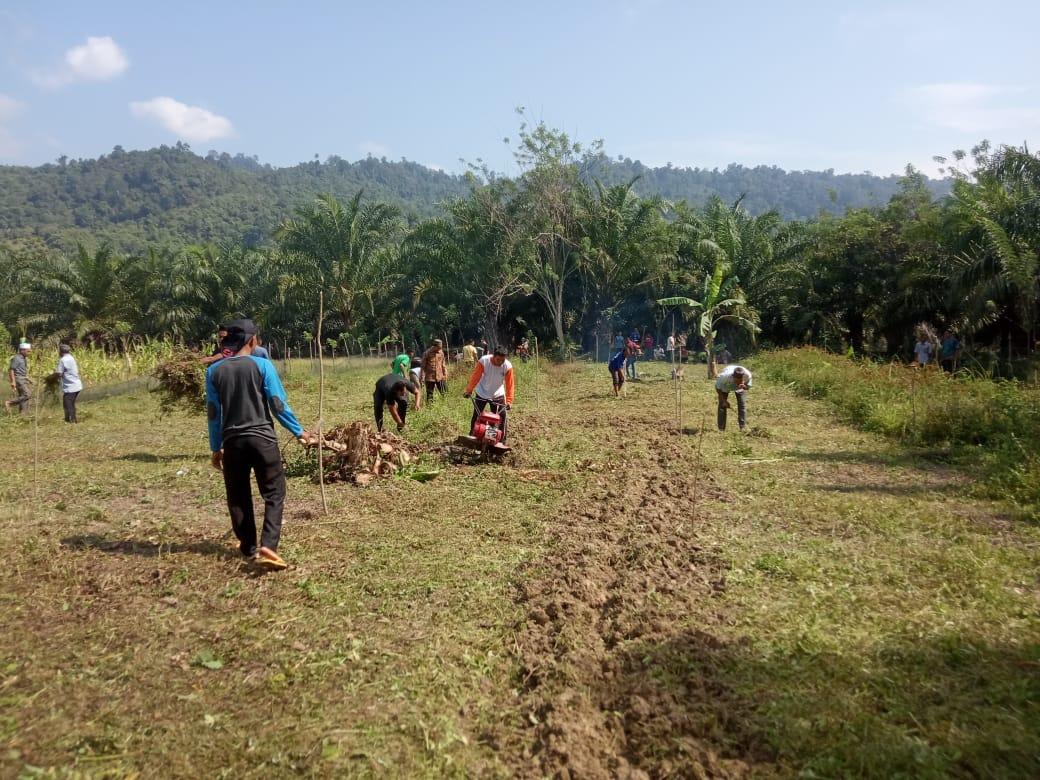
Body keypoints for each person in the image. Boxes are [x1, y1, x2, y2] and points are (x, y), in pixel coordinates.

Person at [206, 319, 314, 570]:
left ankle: (248, 546)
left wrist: (215, 446)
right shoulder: (262, 365)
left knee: (238, 495)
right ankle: (269, 546)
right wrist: (298, 431)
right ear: (252, 341)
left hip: (233, 443)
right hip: (263, 440)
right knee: (274, 493)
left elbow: (213, 413)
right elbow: (277, 404)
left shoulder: (214, 371)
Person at [464, 346, 515, 443]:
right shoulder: (484, 361)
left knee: (502, 417)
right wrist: (469, 390)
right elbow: (476, 376)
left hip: (497, 395)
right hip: (482, 392)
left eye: (503, 360)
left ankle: (501, 441)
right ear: (493, 356)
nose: (500, 362)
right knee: (477, 415)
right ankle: (472, 435)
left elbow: (510, 385)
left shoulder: (507, 366)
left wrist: (509, 401)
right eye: (498, 359)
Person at [716, 364, 752, 432]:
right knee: (722, 405)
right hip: (726, 386)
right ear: (733, 377)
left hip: (740, 388)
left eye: (740, 380)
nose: (738, 382)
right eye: (737, 381)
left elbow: (748, 387)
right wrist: (724, 400)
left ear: (743, 377)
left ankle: (742, 427)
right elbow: (718, 388)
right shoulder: (724, 377)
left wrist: (744, 386)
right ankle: (721, 429)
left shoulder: (747, 376)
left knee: (742, 404)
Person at [52, 344, 83, 423]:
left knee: (68, 403)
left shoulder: (63, 360)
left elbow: (59, 373)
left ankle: (72, 420)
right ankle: (69, 419)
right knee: (69, 403)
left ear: (61, 351)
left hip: (71, 386)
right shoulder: (71, 358)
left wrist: (51, 378)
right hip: (76, 385)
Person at [6, 342, 32, 414]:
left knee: (23, 397)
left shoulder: (23, 358)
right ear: (22, 350)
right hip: (18, 379)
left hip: (22, 379)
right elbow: (11, 370)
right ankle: (10, 403)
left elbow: (20, 371)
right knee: (27, 394)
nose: (29, 353)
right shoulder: (16, 358)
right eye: (28, 351)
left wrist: (28, 379)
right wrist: (13, 382)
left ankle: (22, 414)